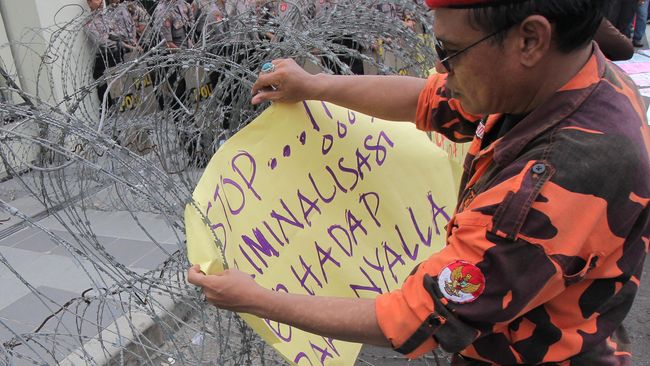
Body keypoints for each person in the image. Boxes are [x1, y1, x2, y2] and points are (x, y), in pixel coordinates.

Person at [188, 0, 650, 364]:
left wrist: (257, 299)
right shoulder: (562, 76)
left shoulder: (560, 175)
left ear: (530, 39)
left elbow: (420, 315)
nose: (443, 69)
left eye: (450, 52)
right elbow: (430, 100)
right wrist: (314, 86)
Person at [85, 0, 138, 106]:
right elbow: (102, 42)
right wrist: (115, 39)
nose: (100, 2)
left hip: (116, 57)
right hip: (105, 61)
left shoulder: (105, 18)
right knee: (110, 97)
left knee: (123, 92)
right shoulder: (89, 22)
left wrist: (117, 39)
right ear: (89, 3)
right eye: (96, 0)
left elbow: (119, 34)